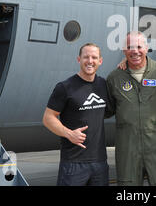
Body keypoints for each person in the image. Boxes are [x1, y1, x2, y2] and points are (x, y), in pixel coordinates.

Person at [106, 31, 156, 186]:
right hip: (128, 149)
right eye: (130, 47)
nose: (135, 51)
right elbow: (107, 109)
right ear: (124, 50)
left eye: (139, 46)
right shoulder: (115, 78)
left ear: (146, 48)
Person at [43, 43, 112, 186]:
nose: (90, 61)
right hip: (73, 163)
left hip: (99, 162)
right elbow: (48, 118)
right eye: (86, 57)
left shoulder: (104, 85)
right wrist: (69, 133)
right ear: (78, 59)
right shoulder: (65, 87)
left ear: (100, 61)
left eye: (94, 57)